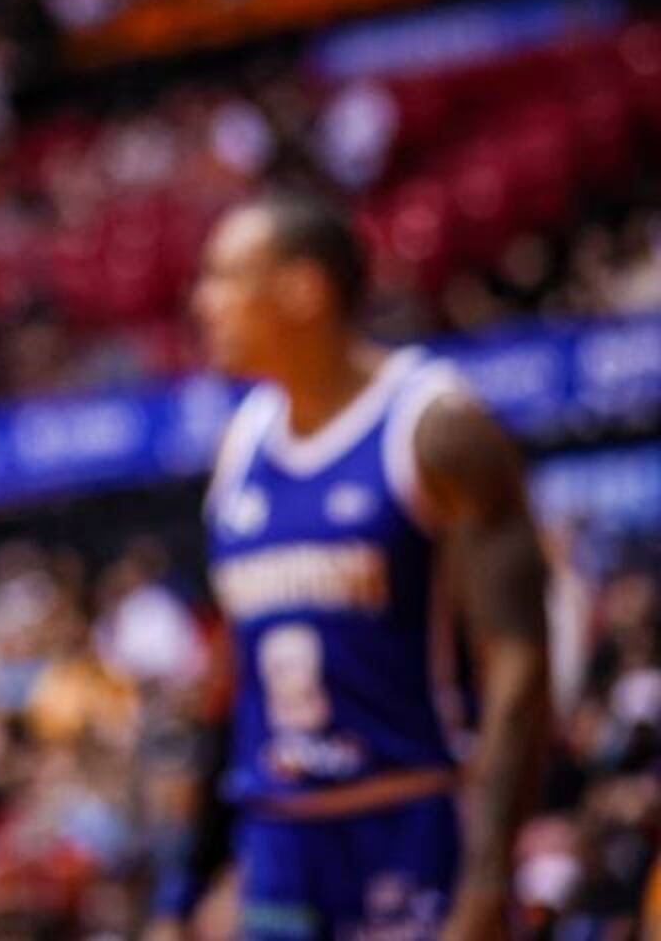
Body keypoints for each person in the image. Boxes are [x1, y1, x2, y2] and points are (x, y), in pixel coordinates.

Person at [155, 191, 550, 941]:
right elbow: (229, 685)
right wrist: (182, 894)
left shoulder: (435, 428)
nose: (201, 302)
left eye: (224, 278)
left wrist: (487, 878)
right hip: (280, 839)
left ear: (304, 290)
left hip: (417, 822)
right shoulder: (241, 442)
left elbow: (519, 667)